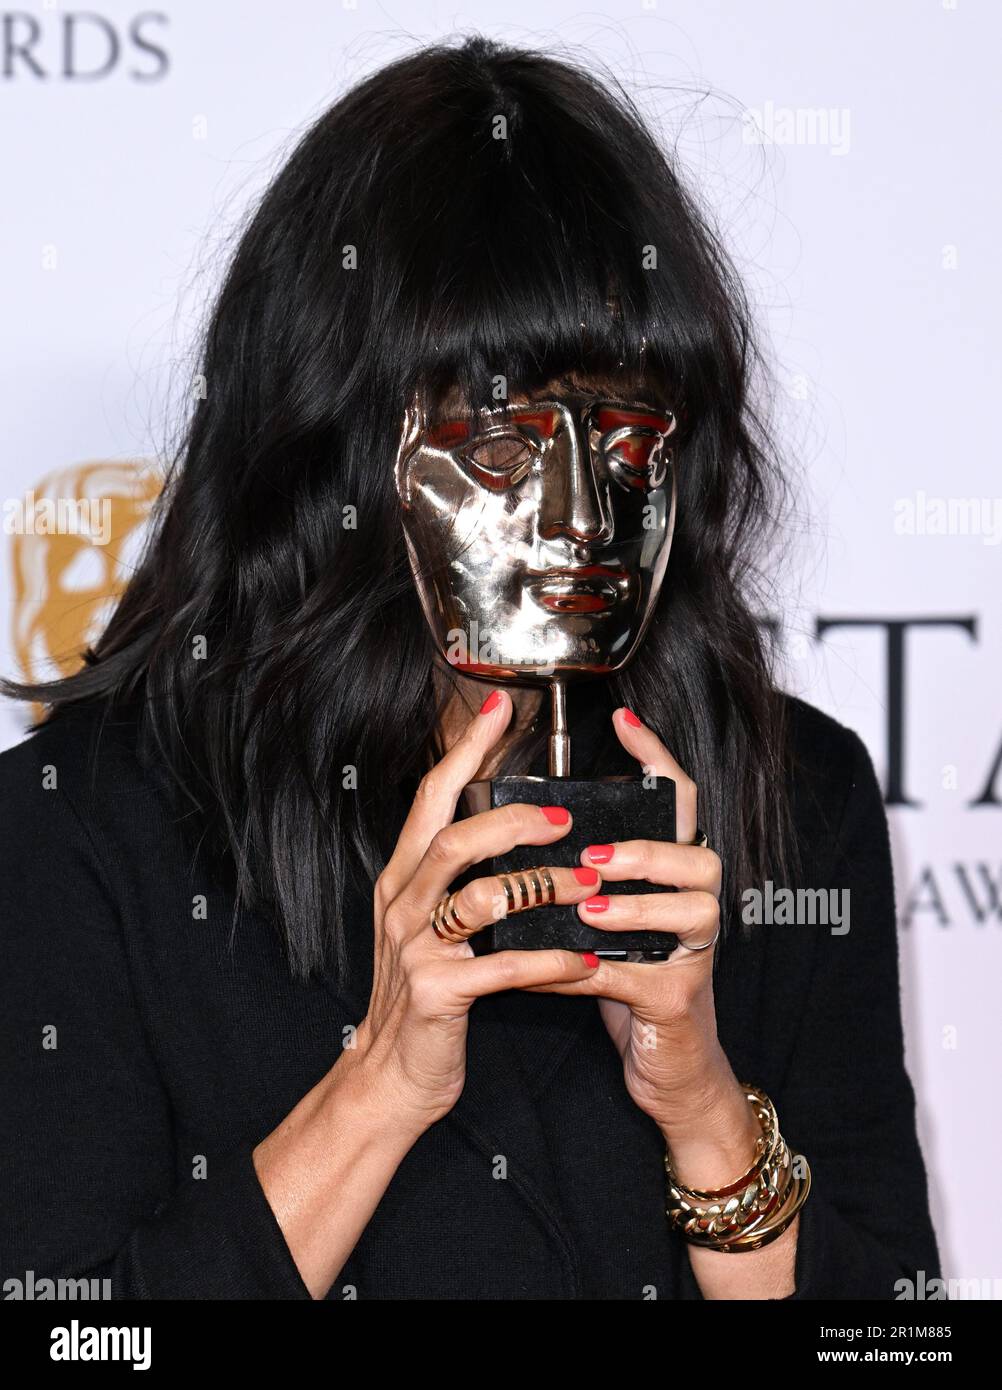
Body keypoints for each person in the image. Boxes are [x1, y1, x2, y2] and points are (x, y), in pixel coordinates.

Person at [0, 35, 939, 1300]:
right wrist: (379, 1083)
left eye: (623, 435)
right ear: (333, 452)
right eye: (501, 448)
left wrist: (707, 1110)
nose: (581, 518)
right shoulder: (87, 828)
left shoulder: (792, 793)